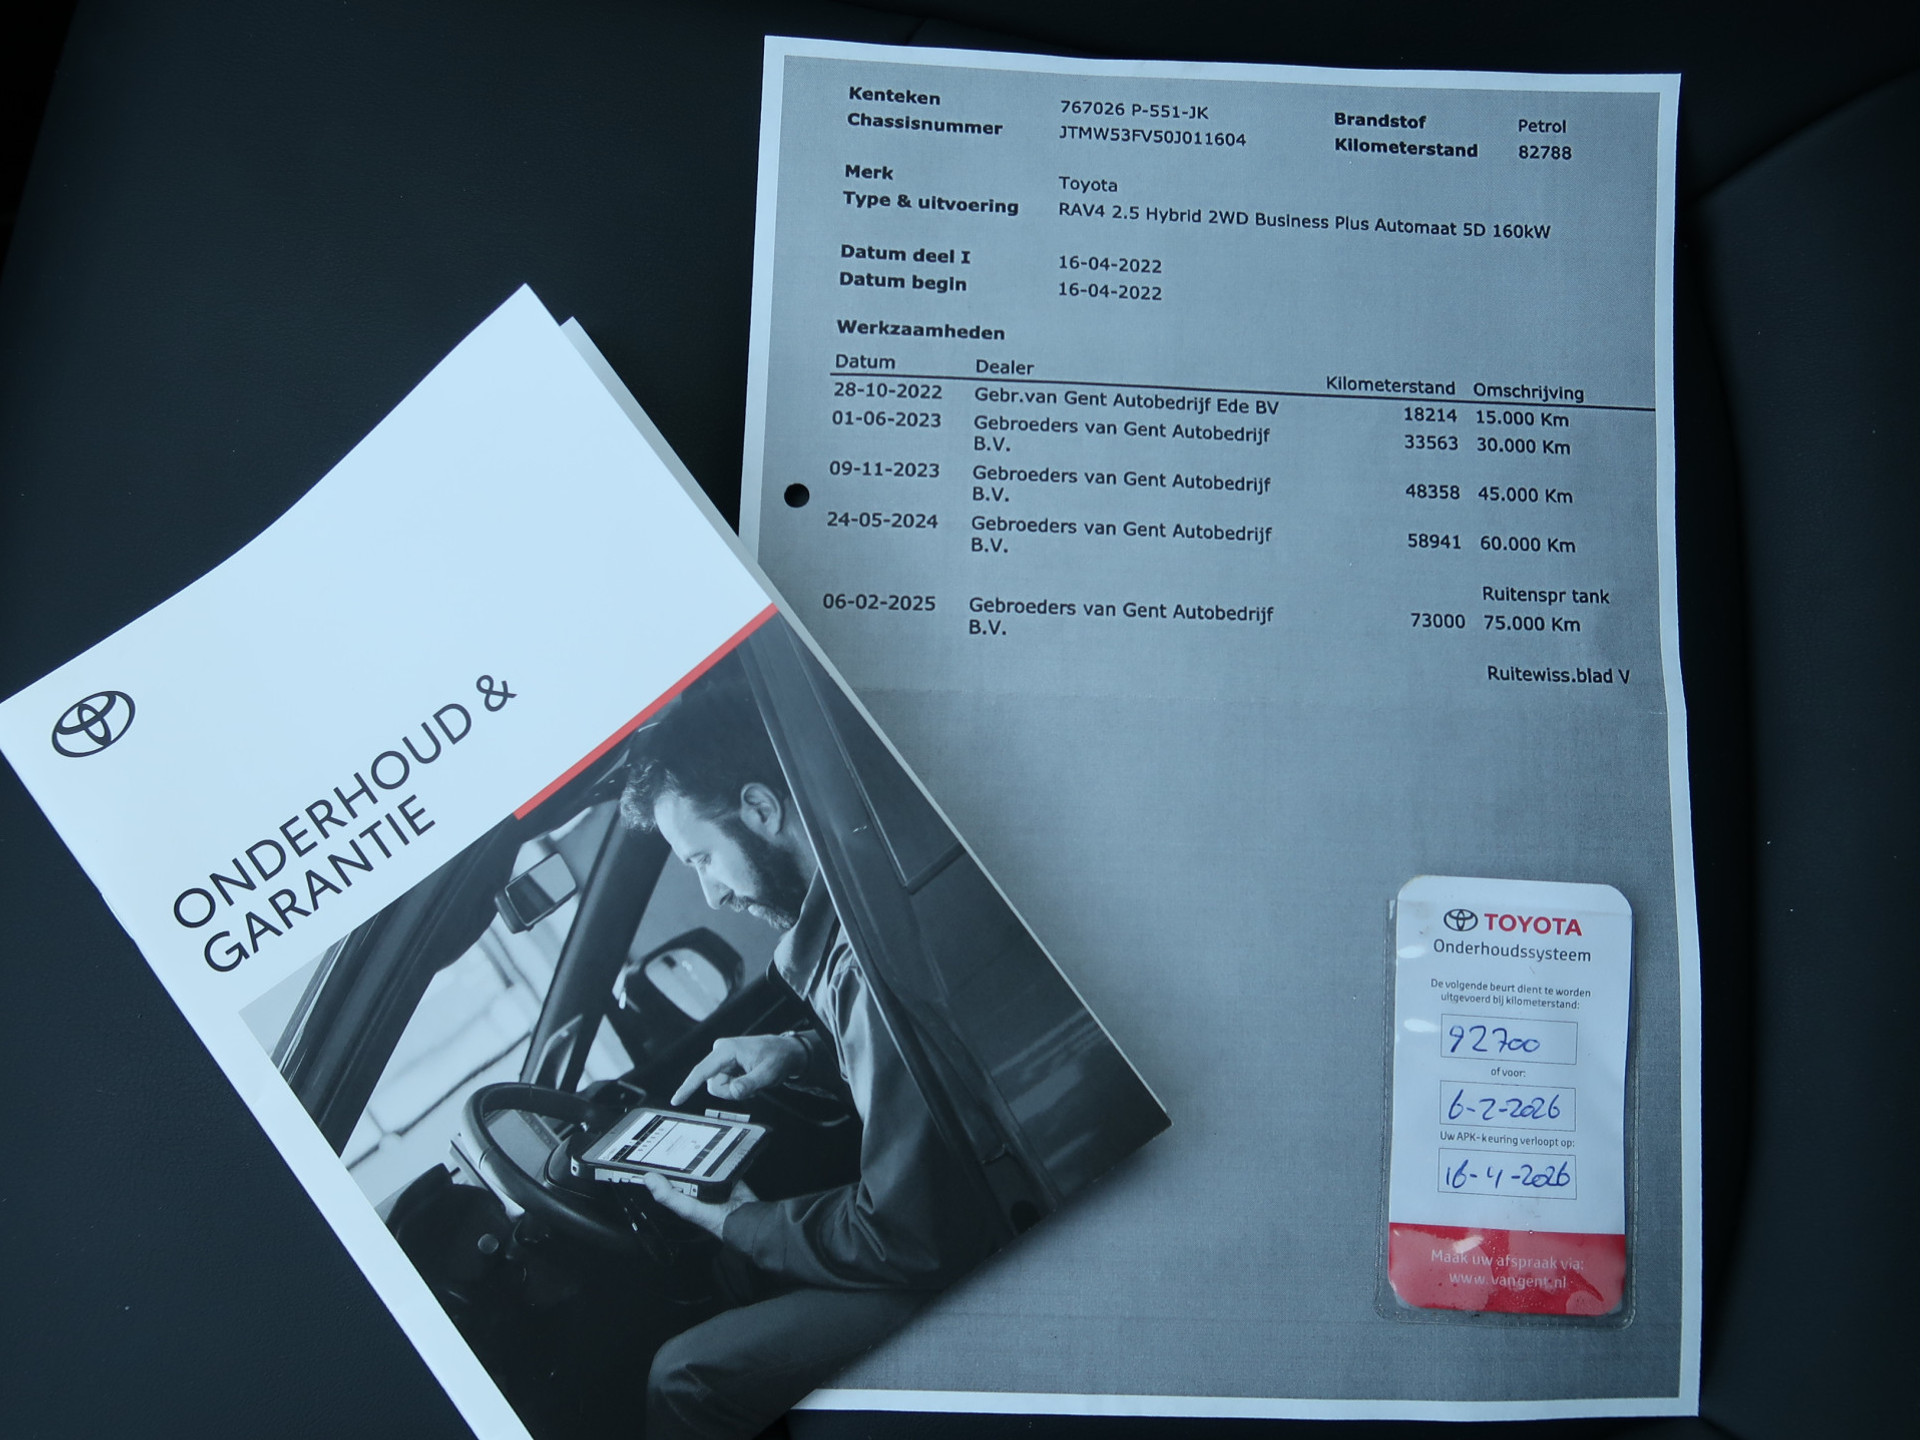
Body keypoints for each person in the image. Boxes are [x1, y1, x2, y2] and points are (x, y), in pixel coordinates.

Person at [617, 665, 1002, 1440]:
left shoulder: (862, 963)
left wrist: (740, 1221)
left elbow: (908, 1239)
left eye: (701, 859)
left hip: (976, 1259)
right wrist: (801, 1052)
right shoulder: (858, 913)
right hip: (962, 1221)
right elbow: (927, 1066)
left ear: (761, 808)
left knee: (684, 1377)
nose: (713, 896)